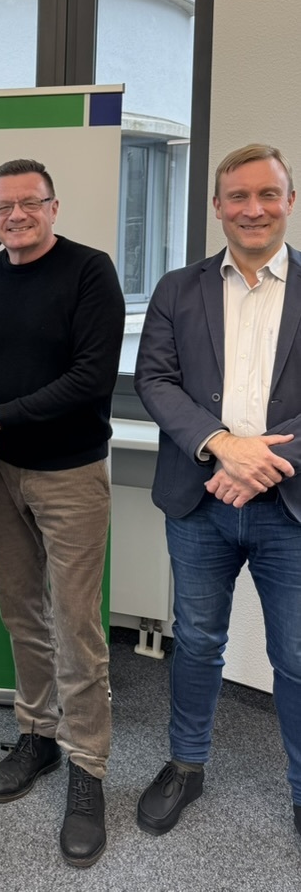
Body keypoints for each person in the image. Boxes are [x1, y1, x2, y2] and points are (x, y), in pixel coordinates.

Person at [0, 159, 125, 867]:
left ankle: (88, 767)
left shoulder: (90, 272)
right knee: (21, 612)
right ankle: (38, 736)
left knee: (76, 626)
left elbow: (90, 379)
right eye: (2, 207)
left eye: (29, 203)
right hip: (1, 473)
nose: (15, 215)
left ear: (53, 206)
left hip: (71, 474)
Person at [134, 144, 301, 840]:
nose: (252, 208)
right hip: (198, 499)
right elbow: (154, 379)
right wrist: (221, 444)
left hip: (290, 507)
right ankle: (186, 764)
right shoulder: (178, 288)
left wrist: (259, 460)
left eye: (267, 194)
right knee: (198, 642)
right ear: (217, 206)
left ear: (289, 200)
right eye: (237, 196)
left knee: (296, 656)